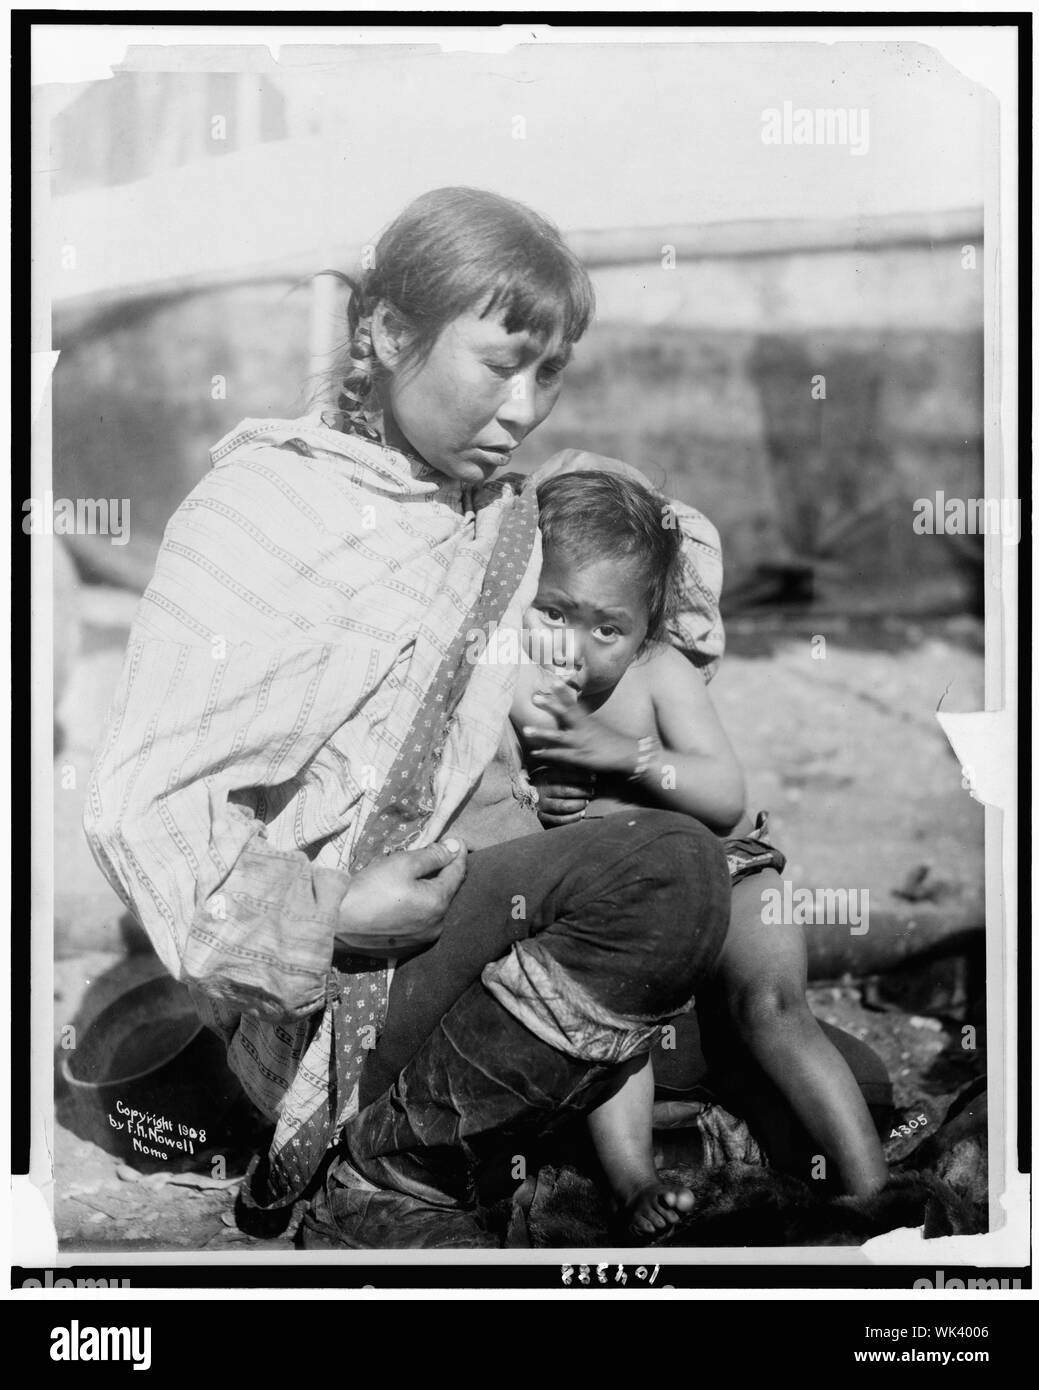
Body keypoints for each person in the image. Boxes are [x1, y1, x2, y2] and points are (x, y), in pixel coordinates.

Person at [84, 186, 737, 1249]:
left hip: (464, 923)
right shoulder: (266, 513)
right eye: (497, 365)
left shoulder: (498, 518)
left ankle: (452, 1142)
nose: (525, 408)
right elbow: (134, 811)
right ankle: (387, 1177)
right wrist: (332, 907)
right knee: (671, 881)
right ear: (387, 333)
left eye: (551, 371)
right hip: (330, 979)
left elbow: (659, 559)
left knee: (755, 1025)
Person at [512, 470, 890, 1238]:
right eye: (553, 613)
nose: (574, 649)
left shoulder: (659, 676)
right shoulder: (515, 684)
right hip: (620, 904)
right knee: (614, 1020)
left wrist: (624, 754)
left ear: (648, 622)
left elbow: (721, 794)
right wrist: (537, 803)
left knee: (775, 1006)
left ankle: (873, 1195)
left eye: (606, 629)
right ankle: (634, 1184)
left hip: (722, 868)